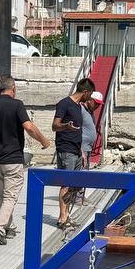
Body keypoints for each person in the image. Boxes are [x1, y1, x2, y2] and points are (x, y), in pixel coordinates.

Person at [0, 74, 50, 246]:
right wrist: (43, 140)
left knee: (1, 196)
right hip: (12, 158)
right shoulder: (17, 105)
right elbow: (28, 126)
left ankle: (9, 227)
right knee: (10, 197)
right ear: (13, 89)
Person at [52, 78, 95, 230]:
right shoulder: (64, 104)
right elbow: (55, 126)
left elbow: (80, 131)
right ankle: (63, 218)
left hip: (76, 150)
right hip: (66, 149)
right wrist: (66, 126)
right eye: (89, 95)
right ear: (85, 92)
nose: (89, 98)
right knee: (66, 184)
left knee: (74, 185)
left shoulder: (78, 107)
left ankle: (64, 216)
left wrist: (81, 150)